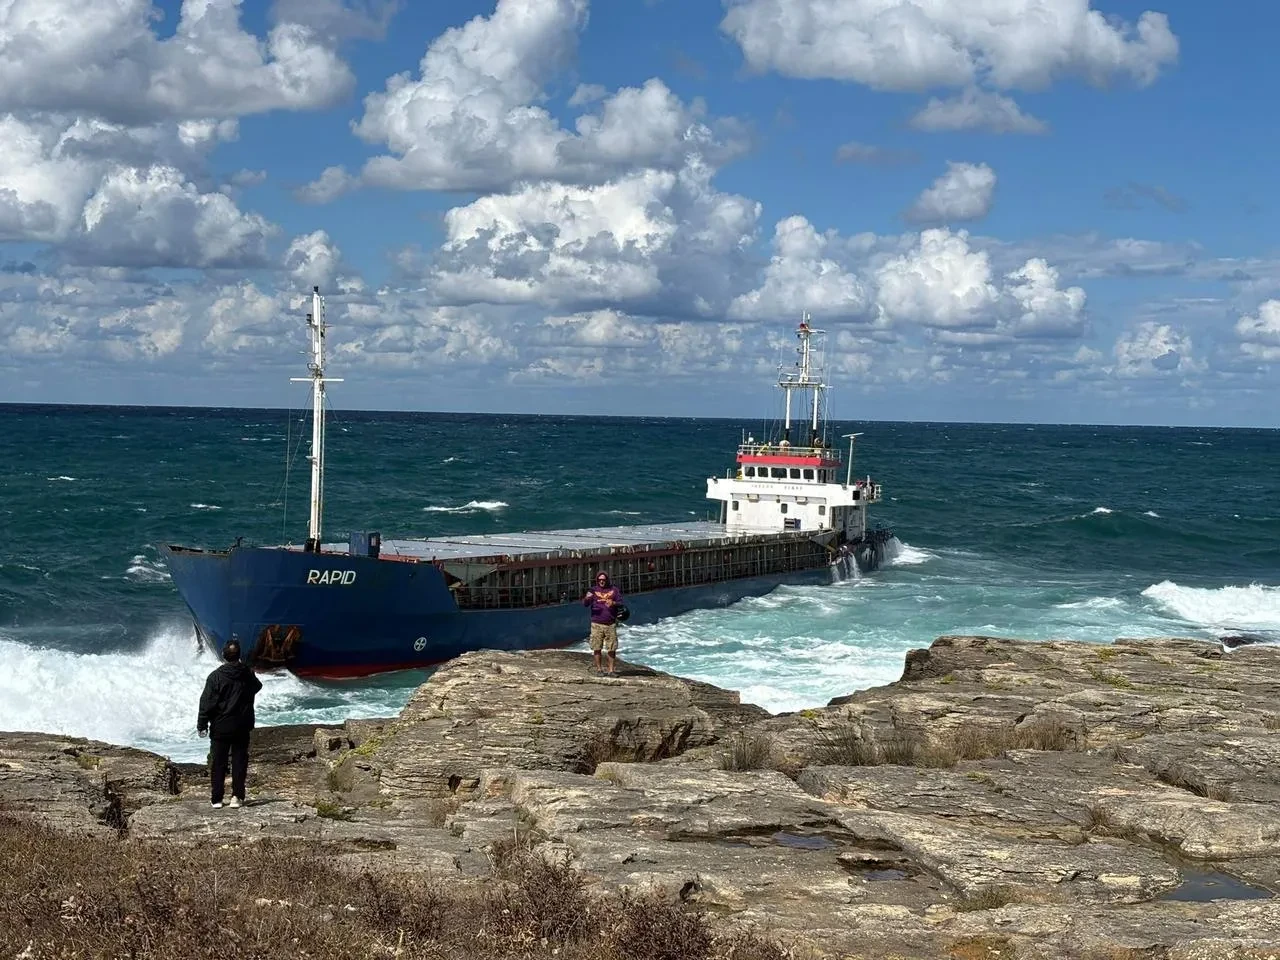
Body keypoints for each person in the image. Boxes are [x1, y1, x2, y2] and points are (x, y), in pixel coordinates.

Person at [197, 639, 263, 809]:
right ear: (239, 655)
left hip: (221, 725)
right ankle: (237, 797)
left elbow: (207, 703)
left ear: (224, 655)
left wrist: (202, 724)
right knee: (239, 762)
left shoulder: (216, 676)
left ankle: (217, 799)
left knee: (218, 762)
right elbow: (257, 686)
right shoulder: (247, 674)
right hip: (242, 724)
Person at [583, 571, 623, 676]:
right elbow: (585, 604)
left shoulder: (614, 590)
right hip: (596, 623)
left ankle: (611, 670)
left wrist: (613, 603)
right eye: (600, 580)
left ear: (607, 580)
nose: (602, 581)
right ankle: (599, 670)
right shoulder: (593, 590)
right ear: (597, 580)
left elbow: (621, 603)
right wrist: (587, 598)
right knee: (597, 647)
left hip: (610, 623)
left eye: (604, 580)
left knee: (612, 648)